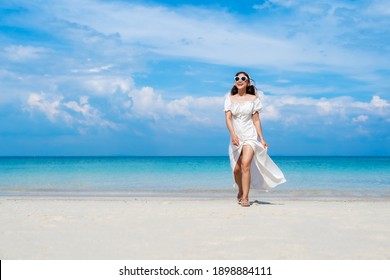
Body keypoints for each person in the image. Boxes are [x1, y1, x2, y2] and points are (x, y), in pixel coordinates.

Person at [224, 71, 286, 207]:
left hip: (250, 136)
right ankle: (240, 190)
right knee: (236, 169)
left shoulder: (254, 99)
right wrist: (233, 135)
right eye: (237, 78)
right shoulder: (229, 98)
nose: (239, 80)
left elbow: (256, 120)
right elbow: (228, 119)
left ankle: (245, 197)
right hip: (236, 136)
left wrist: (262, 139)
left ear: (248, 82)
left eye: (243, 78)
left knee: (246, 164)